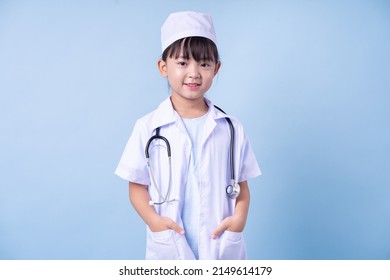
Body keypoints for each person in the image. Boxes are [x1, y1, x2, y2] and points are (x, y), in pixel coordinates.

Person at [115, 11, 261, 260]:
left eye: (204, 64)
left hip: (221, 245)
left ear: (216, 68)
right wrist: (155, 222)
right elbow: (137, 186)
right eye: (182, 63)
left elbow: (242, 186)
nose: (194, 73)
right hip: (170, 244)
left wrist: (239, 220)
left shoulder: (231, 128)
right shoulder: (148, 127)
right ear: (163, 67)